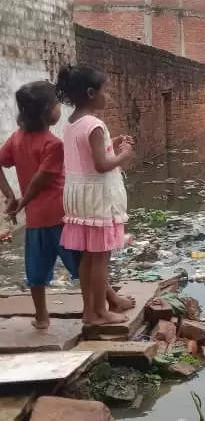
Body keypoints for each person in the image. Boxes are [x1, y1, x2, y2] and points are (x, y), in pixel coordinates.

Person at [55, 65, 135, 326]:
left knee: (89, 258)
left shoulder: (73, 123)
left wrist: (113, 142)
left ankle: (89, 311)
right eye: (106, 91)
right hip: (99, 197)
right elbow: (101, 164)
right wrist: (124, 155)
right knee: (101, 258)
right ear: (91, 93)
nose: (108, 97)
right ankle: (100, 312)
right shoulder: (95, 124)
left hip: (79, 196)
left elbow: (87, 156)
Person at [0, 82, 82, 329]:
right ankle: (103, 304)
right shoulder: (53, 144)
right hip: (60, 216)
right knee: (84, 264)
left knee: (36, 269)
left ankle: (42, 317)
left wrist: (10, 195)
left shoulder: (16, 138)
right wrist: (19, 202)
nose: (60, 108)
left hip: (35, 220)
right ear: (48, 111)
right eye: (57, 104)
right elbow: (40, 181)